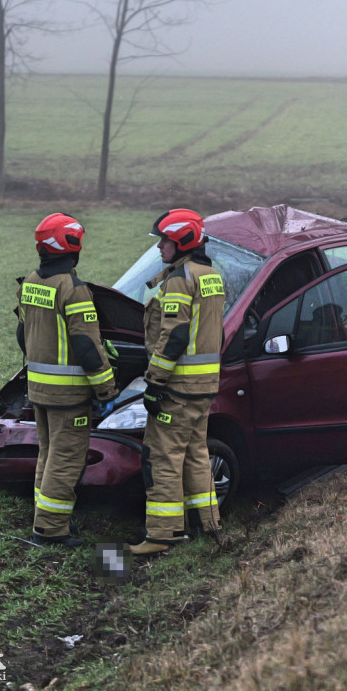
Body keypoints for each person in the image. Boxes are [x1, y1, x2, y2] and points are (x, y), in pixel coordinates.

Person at [17, 213, 118, 547]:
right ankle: (50, 530)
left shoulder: (31, 281)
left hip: (39, 389)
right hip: (69, 396)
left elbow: (23, 333)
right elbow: (87, 346)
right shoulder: (73, 290)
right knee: (65, 460)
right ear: (72, 245)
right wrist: (106, 388)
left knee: (48, 454)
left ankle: (43, 520)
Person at [131, 208, 225, 556]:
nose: (159, 248)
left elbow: (174, 336)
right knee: (197, 454)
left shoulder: (180, 280)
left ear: (182, 241)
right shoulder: (210, 275)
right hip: (204, 388)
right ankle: (209, 525)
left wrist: (155, 382)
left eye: (164, 241)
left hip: (178, 388)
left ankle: (163, 534)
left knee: (163, 456)